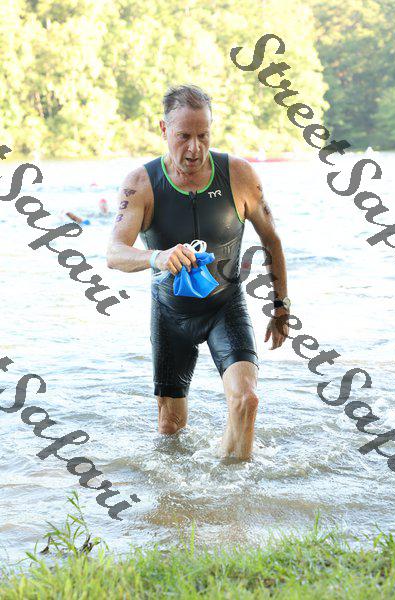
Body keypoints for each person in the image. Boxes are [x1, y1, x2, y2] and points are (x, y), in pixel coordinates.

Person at [106, 84, 290, 460]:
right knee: (170, 428)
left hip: (225, 307)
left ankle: (233, 485)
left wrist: (280, 305)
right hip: (171, 314)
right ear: (164, 130)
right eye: (183, 137)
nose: (194, 149)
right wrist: (157, 257)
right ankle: (184, 489)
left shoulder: (239, 175)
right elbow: (114, 253)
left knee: (247, 399)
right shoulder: (141, 183)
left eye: (203, 136)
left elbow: (272, 240)